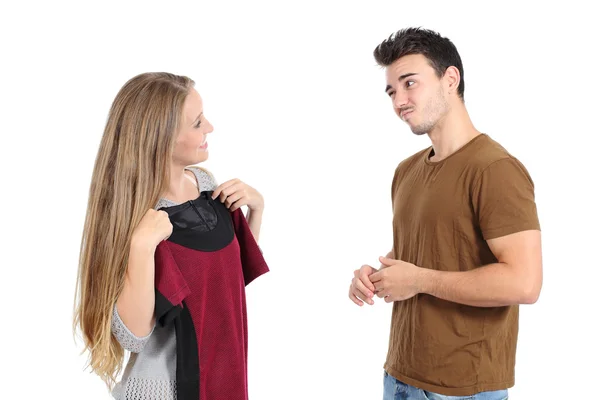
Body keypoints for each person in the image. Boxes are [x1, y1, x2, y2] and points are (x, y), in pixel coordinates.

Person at [348, 28, 542, 400]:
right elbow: (428, 254)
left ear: (450, 79)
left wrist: (420, 280)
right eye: (391, 91)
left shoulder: (495, 168)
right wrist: (378, 277)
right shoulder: (407, 170)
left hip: (461, 388)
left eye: (409, 84)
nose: (399, 101)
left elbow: (525, 283)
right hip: (400, 376)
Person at [73, 72, 269, 400]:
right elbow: (133, 336)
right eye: (196, 123)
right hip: (163, 391)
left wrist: (257, 210)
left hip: (224, 381)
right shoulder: (139, 222)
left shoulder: (206, 185)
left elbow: (226, 281)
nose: (209, 128)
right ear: (161, 138)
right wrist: (140, 246)